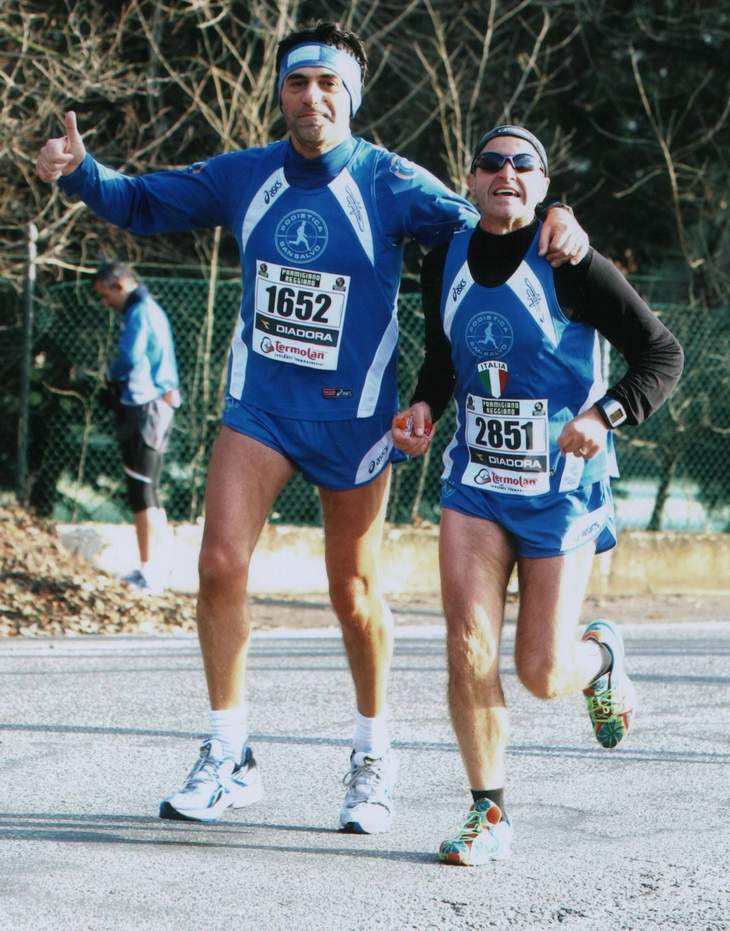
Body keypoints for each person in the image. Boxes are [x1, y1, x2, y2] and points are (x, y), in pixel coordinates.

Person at [35, 22, 588, 834]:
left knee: (353, 593)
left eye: (330, 84)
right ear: (283, 94)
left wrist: (561, 213)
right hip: (260, 405)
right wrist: (83, 175)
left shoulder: (392, 182)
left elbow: (492, 215)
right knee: (220, 563)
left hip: (356, 419)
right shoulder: (246, 174)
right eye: (299, 82)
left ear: (351, 99)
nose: (312, 96)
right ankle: (230, 751)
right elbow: (146, 201)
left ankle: (372, 754)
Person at [392, 124, 683, 864]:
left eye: (523, 164)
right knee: (466, 643)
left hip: (561, 490)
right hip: (476, 484)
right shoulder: (446, 258)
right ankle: (488, 812)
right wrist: (426, 406)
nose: (506, 173)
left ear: (545, 182)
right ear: (472, 180)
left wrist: (605, 414)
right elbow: (443, 358)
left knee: (542, 671)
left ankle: (602, 654)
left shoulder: (570, 259)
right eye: (492, 163)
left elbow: (661, 354)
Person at [93, 262, 181, 595]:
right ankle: (159, 568)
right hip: (158, 403)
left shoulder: (140, 311)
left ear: (118, 285)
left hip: (144, 404)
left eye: (105, 296)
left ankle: (149, 573)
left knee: (140, 490)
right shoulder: (151, 308)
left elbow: (129, 357)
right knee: (149, 490)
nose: (106, 303)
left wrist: (110, 379)